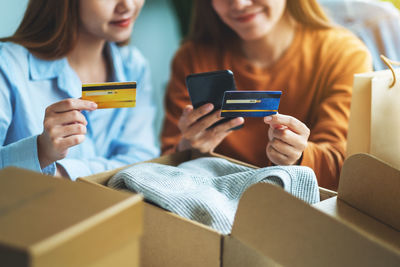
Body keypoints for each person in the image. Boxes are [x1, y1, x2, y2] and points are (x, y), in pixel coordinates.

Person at [161, 0, 372, 190]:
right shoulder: (190, 59)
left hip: (299, 209)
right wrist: (188, 147)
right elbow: (165, 163)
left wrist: (298, 157)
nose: (239, 4)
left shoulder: (344, 54)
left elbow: (343, 168)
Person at [0, 0, 160, 180]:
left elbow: (141, 161)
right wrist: (40, 152)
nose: (128, 6)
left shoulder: (133, 66)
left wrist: (59, 173)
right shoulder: (6, 67)